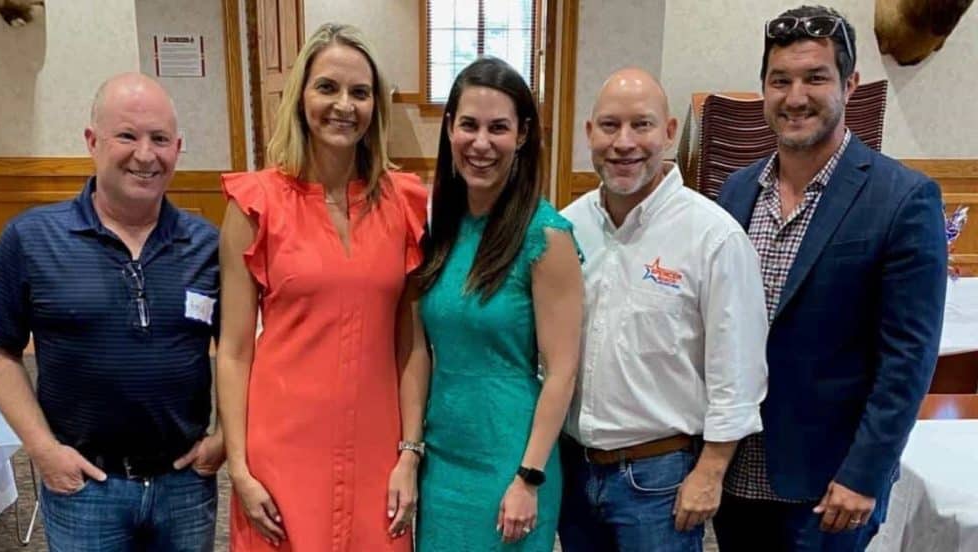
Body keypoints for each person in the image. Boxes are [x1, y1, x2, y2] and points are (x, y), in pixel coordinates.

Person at [713, 6, 947, 551]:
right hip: (736, 474)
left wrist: (865, 472)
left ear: (850, 84)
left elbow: (909, 357)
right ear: (764, 90)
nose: (796, 97)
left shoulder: (903, 199)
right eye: (780, 81)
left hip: (830, 488)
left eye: (815, 78)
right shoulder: (735, 193)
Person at [0, 72, 223, 551]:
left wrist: (226, 436)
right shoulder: (31, 239)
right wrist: (43, 450)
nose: (145, 155)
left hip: (185, 483)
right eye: (127, 136)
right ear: (92, 142)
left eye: (160, 139)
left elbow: (238, 353)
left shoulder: (207, 244)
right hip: (85, 486)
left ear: (178, 148)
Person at [216, 23, 427, 552]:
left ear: (376, 105)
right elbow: (235, 351)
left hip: (377, 448)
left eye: (360, 92)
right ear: (300, 97)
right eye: (327, 87)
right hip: (284, 446)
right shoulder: (254, 202)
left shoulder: (405, 202)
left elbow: (411, 344)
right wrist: (238, 467)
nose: (344, 105)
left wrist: (411, 451)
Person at [556, 67, 769, 552]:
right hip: (574, 469)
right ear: (589, 134)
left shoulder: (713, 237)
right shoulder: (567, 228)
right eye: (609, 126)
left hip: (658, 480)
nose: (624, 142)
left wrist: (711, 472)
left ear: (669, 132)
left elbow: (738, 370)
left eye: (642, 125)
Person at [398, 56, 584, 552]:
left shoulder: (546, 236)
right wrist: (410, 452)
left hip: (511, 461)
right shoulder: (438, 228)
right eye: (469, 126)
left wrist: (529, 477)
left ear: (522, 134)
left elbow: (563, 370)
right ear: (449, 129)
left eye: (498, 128)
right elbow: (417, 351)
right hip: (443, 460)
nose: (481, 144)